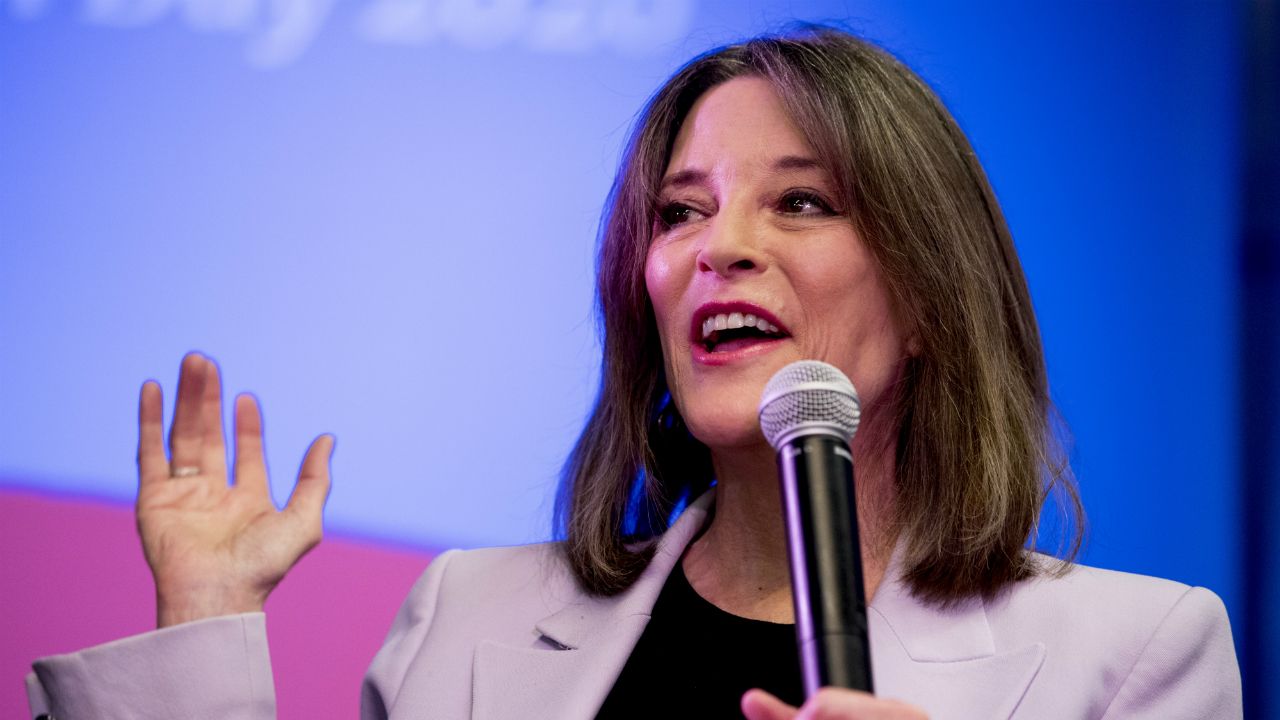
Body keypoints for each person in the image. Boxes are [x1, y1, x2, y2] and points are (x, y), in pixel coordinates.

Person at [27, 27, 1241, 720]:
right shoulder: (466, 617)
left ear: (926, 299)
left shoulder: (1136, 653)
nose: (719, 247)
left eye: (800, 201)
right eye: (680, 211)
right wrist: (204, 612)